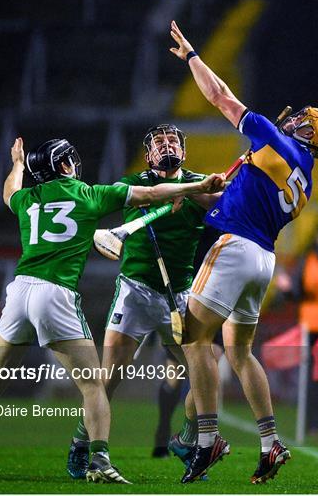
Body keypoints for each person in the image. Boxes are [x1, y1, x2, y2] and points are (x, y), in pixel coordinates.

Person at [0, 136, 225, 483]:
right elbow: (148, 195)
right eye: (70, 159)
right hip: (55, 295)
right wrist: (195, 186)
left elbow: (8, 193)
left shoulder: (28, 198)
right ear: (64, 165)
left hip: (18, 293)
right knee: (93, 385)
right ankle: (99, 460)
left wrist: (16, 164)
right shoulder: (88, 194)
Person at [169, 19, 318, 484]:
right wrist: (197, 194)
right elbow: (235, 201)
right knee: (239, 353)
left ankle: (206, 441)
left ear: (307, 132)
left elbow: (220, 96)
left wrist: (191, 57)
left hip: (235, 248)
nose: (297, 118)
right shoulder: (302, 183)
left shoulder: (273, 136)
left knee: (193, 338)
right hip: (263, 260)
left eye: (306, 120)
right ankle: (270, 444)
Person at [66, 124, 225, 479]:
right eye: (158, 143)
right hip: (135, 291)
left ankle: (186, 440)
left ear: (183, 152)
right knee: (110, 378)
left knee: (206, 374)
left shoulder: (202, 184)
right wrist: (182, 191)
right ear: (149, 154)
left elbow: (221, 203)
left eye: (172, 141)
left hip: (181, 294)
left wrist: (199, 191)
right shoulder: (132, 182)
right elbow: (141, 196)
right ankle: (82, 445)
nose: (166, 145)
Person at [276, 219, 318, 435]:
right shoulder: (308, 262)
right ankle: (313, 425)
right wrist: (286, 290)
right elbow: (296, 293)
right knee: (314, 380)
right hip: (312, 328)